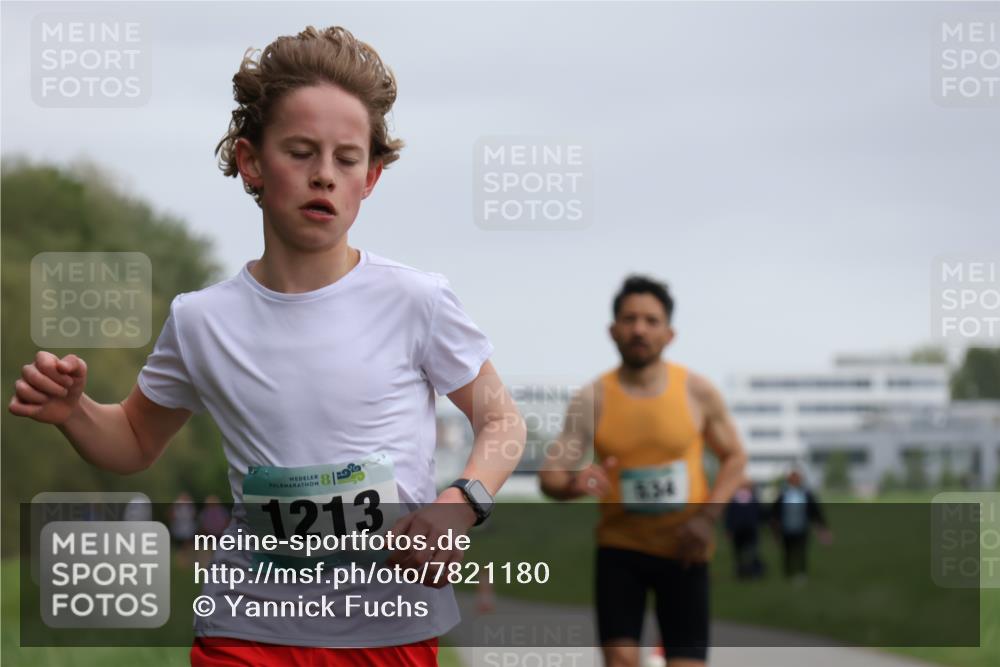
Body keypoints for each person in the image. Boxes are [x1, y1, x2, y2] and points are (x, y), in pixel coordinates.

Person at [9, 25, 526, 667]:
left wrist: (460, 502)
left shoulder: (415, 301)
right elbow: (136, 441)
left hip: (386, 628)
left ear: (371, 178)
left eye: (346, 159)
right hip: (248, 625)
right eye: (301, 152)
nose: (324, 177)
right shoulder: (202, 320)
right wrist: (74, 413)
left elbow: (502, 421)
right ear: (252, 161)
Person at [539, 275, 747, 667]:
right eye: (629, 319)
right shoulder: (592, 397)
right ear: (612, 330)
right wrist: (574, 484)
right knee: (621, 660)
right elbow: (551, 476)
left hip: (686, 550)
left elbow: (735, 457)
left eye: (651, 320)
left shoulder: (696, 391)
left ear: (669, 333)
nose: (639, 329)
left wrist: (707, 518)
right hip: (620, 551)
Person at [770, 469, 832, 584]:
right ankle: (787, 574)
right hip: (786, 529)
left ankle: (802, 574)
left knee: (802, 552)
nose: (795, 481)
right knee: (787, 553)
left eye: (797, 479)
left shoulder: (806, 495)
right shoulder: (783, 495)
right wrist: (775, 530)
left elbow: (815, 512)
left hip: (802, 529)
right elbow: (775, 513)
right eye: (792, 479)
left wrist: (823, 529)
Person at [723, 480, 765, 579]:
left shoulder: (753, 499)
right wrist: (729, 529)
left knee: (752, 552)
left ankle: (753, 571)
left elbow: (759, 514)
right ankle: (741, 572)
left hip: (751, 530)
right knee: (738, 553)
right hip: (738, 530)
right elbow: (729, 516)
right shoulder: (734, 499)